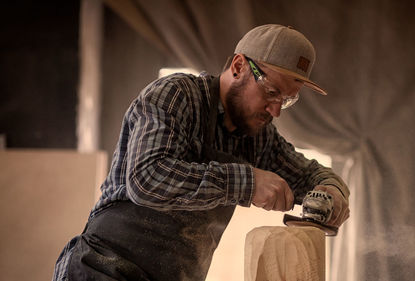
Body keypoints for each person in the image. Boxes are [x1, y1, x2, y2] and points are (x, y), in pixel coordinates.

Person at [53, 24, 350, 281]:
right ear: (238, 66)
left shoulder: (259, 137)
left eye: (286, 101)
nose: (275, 110)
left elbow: (312, 175)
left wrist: (332, 192)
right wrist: (248, 183)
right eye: (271, 93)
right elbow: (147, 178)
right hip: (103, 270)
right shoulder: (176, 96)